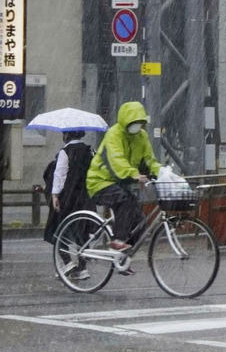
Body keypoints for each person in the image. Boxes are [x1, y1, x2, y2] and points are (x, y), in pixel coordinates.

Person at [86, 102, 163, 266]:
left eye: (139, 122)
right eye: (133, 122)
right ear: (125, 121)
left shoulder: (142, 137)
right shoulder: (114, 134)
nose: (136, 126)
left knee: (140, 223)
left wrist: (163, 173)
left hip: (119, 182)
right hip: (99, 181)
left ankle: (123, 259)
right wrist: (135, 175)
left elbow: (150, 160)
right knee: (125, 201)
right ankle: (117, 241)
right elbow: (117, 161)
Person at [43, 130, 95, 281]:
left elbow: (60, 174)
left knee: (59, 230)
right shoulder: (90, 151)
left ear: (67, 135)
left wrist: (54, 195)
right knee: (83, 232)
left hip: (69, 197)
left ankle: (67, 263)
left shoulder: (65, 152)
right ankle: (83, 268)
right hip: (86, 197)